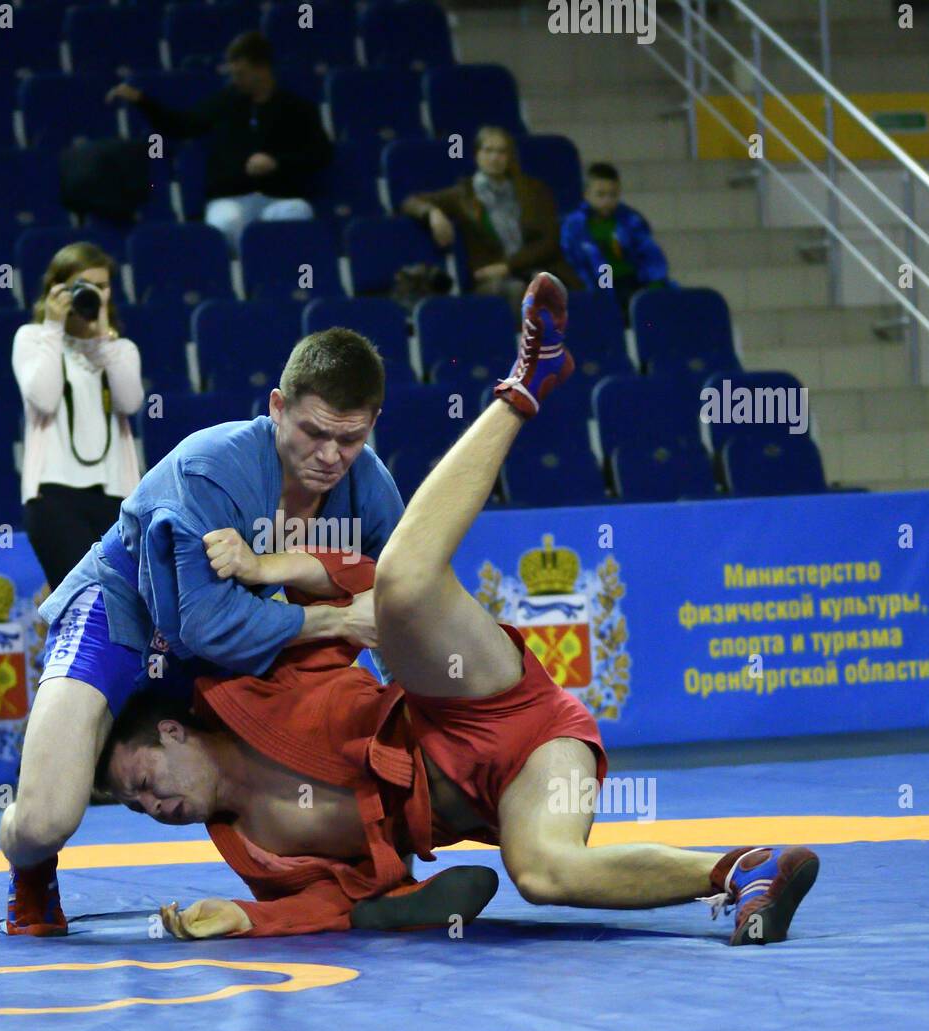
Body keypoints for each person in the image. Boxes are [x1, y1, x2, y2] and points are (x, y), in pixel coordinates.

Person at [94, 273, 821, 947]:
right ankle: (746, 869)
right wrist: (247, 916)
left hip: (468, 704)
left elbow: (361, 582)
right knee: (543, 873)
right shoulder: (251, 846)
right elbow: (334, 896)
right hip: (500, 784)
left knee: (404, 579)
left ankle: (524, 384)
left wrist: (268, 565)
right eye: (135, 805)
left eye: (143, 781)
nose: (150, 805)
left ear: (173, 730)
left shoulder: (243, 683)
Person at [0, 327, 405, 936]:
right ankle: (32, 872)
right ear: (276, 408)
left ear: (372, 423)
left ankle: (362, 875)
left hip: (236, 637)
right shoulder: (214, 470)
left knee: (338, 746)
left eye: (349, 438)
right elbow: (209, 627)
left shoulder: (369, 491)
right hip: (122, 610)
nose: (329, 455)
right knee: (45, 818)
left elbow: (404, 605)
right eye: (313, 432)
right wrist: (333, 619)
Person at [106, 31, 331, 255]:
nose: (235, 79)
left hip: (279, 198)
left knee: (298, 212)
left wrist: (277, 162)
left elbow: (320, 153)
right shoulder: (224, 102)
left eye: (241, 73)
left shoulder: (297, 109)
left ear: (262, 69)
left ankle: (276, 273)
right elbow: (180, 125)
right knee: (224, 223)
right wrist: (142, 101)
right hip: (231, 198)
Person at [13, 241, 144, 591]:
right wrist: (54, 328)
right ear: (56, 288)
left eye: (101, 287)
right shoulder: (32, 339)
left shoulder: (120, 349)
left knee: (125, 604)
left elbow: (130, 401)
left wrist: (102, 337)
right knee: (82, 602)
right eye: (82, 286)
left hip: (116, 494)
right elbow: (43, 397)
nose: (93, 295)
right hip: (54, 497)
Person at [400, 125, 579, 304]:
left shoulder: (535, 191)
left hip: (535, 267)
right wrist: (433, 213)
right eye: (488, 150)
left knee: (560, 285)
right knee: (517, 290)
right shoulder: (463, 194)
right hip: (491, 278)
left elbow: (549, 241)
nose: (495, 157)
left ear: (510, 157)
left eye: (501, 152)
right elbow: (410, 201)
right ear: (477, 155)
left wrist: (508, 266)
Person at [561, 161, 670, 323]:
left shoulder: (630, 221)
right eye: (601, 195)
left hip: (631, 281)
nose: (607, 201)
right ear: (586, 194)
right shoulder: (575, 225)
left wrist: (656, 283)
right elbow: (572, 261)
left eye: (612, 195)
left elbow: (650, 254)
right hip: (597, 285)